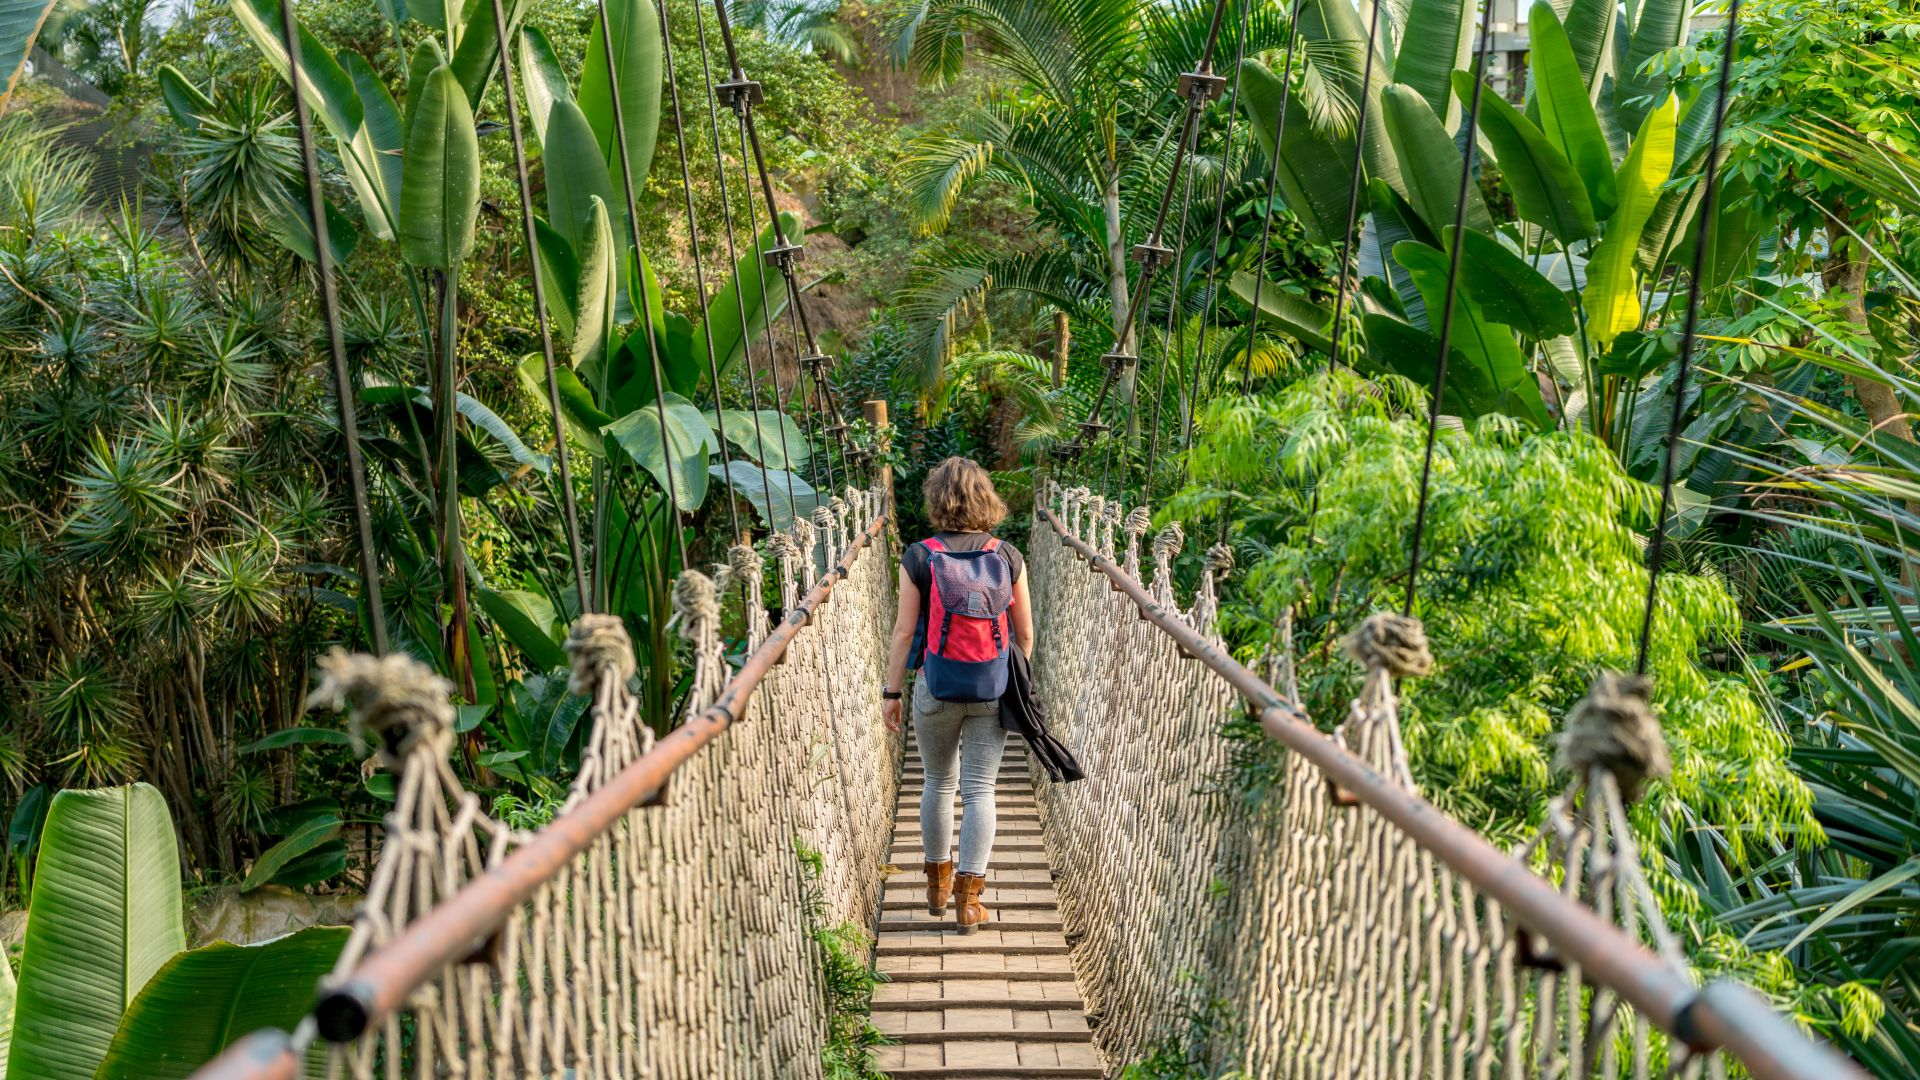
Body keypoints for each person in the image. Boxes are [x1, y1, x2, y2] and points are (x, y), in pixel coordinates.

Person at [882, 457, 1034, 934]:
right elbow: (1025, 634)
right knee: (980, 790)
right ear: (986, 497)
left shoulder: (919, 556)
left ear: (936, 499)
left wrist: (892, 692)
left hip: (934, 685)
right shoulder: (1007, 555)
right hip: (992, 685)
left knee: (938, 782)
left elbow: (905, 632)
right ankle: (969, 904)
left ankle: (937, 888)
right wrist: (1012, 681)